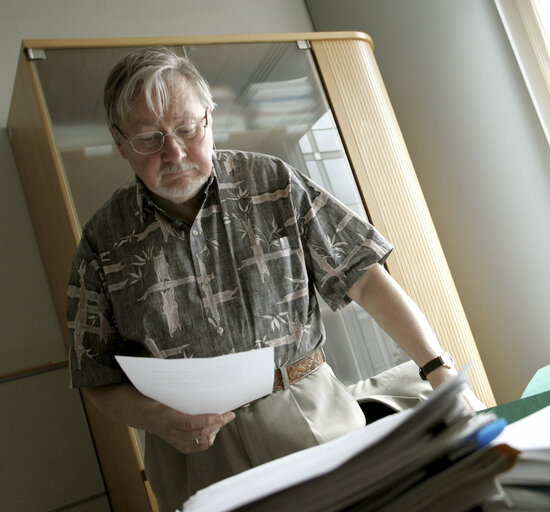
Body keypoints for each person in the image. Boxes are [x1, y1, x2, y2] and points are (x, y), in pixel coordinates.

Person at [66, 47, 480, 511]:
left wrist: (436, 367)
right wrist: (156, 420)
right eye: (149, 138)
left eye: (187, 129)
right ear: (120, 141)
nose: (175, 152)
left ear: (209, 118)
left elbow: (364, 277)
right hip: (191, 450)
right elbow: (94, 373)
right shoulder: (104, 240)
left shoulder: (273, 182)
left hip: (305, 412)